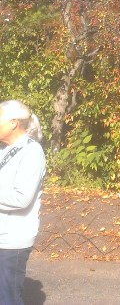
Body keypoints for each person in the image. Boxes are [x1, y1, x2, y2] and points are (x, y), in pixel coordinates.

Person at [0, 100, 46, 305]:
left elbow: (22, 197)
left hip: (11, 241)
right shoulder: (4, 149)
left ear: (13, 123)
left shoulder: (32, 152)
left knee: (7, 299)